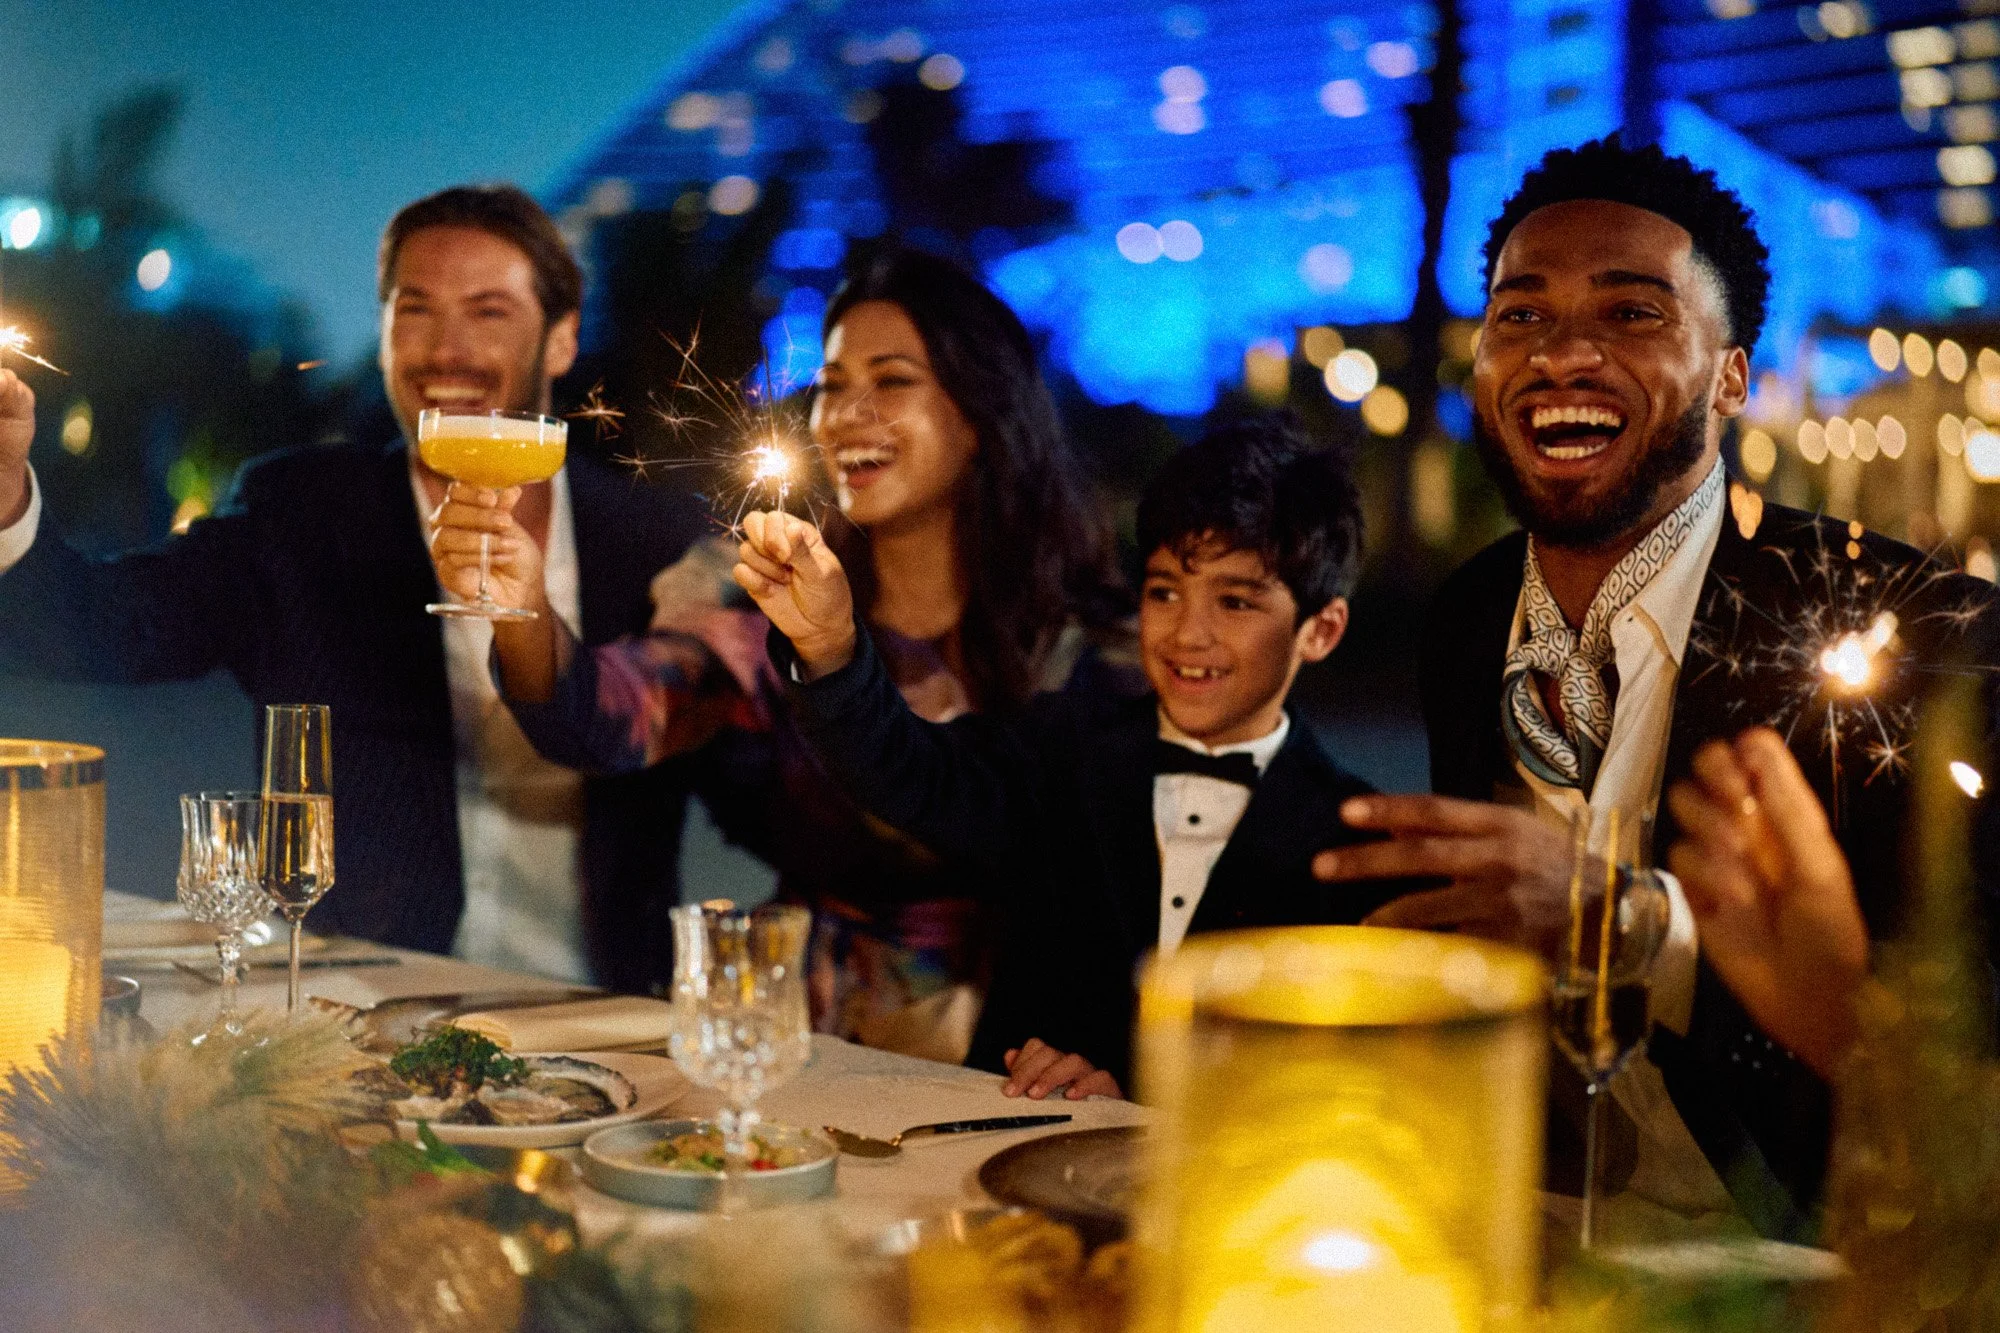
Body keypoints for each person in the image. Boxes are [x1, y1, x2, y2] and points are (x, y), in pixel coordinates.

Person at [1312, 136, 1999, 1238]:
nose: (1560, 355)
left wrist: (1630, 926)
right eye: (1519, 315)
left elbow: (1956, 1033)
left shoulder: (1914, 629)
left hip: (1795, 1257)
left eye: (1630, 314)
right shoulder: (1466, 614)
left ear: (1732, 373)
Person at [0, 184, 717, 989]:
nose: (445, 349)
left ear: (560, 340)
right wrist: (7, 497)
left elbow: (754, 771)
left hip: (610, 1013)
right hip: (371, 1005)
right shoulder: (302, 514)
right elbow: (102, 627)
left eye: (488, 311)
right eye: (414, 310)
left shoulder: (655, 540)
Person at [432, 247, 1136, 1061]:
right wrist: (520, 606)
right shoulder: (762, 597)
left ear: (980, 413)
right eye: (833, 386)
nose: (845, 415)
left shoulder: (1083, 648)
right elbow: (608, 714)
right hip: (787, 1047)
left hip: (1022, 1057)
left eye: (892, 380)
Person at [732, 415, 1406, 1097]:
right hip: (1005, 1157)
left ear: (1321, 629)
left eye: (1234, 601)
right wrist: (829, 645)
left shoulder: (1356, 844)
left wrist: (1138, 1106)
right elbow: (911, 772)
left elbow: (1343, 1092)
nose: (1187, 633)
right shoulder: (1064, 749)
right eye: (1165, 591)